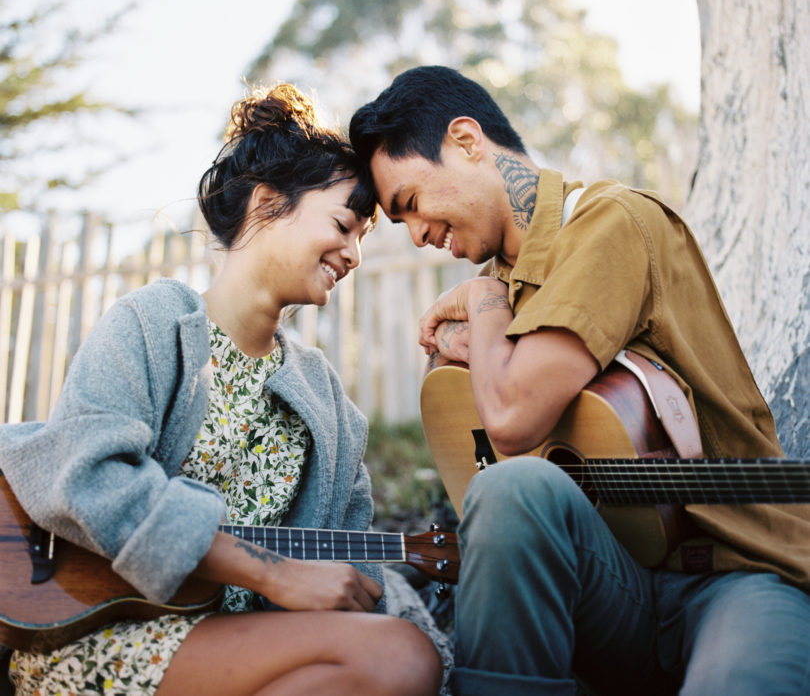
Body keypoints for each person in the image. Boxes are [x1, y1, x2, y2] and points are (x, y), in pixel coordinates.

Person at [349, 65, 810, 696]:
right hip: (614, 592)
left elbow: (511, 420)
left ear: (465, 140)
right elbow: (488, 463)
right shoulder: (499, 285)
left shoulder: (607, 222)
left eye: (410, 204)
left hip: (741, 575)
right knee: (513, 492)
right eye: (401, 225)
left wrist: (484, 304)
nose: (420, 235)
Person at [0, 84, 442, 696]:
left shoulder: (328, 402)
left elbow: (352, 554)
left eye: (364, 236)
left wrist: (352, 585)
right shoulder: (154, 323)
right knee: (399, 659)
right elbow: (90, 476)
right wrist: (272, 572)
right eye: (344, 224)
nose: (356, 254)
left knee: (402, 655)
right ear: (266, 204)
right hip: (104, 633)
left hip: (246, 644)